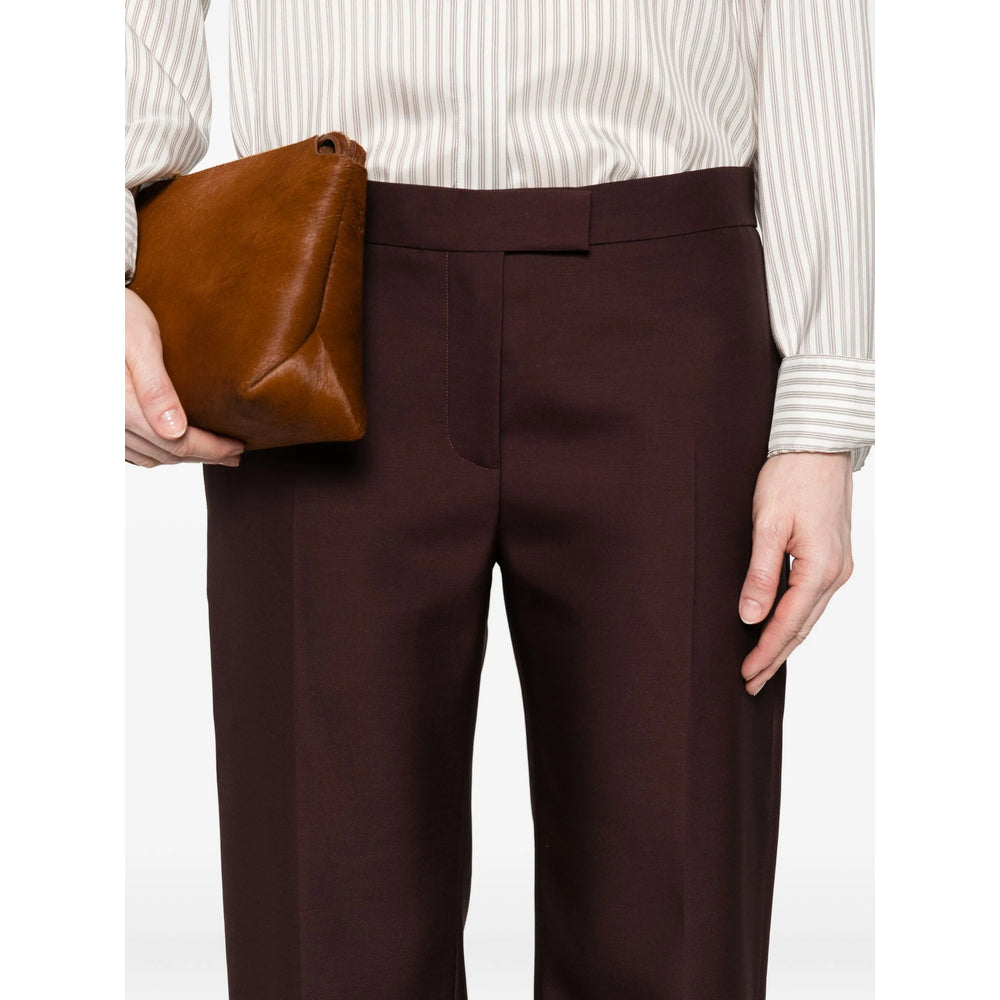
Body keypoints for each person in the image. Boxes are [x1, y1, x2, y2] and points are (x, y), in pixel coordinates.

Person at [125, 2, 874, 997]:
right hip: (313, 297)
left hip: (665, 304)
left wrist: (821, 410)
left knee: (675, 914)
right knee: (324, 923)